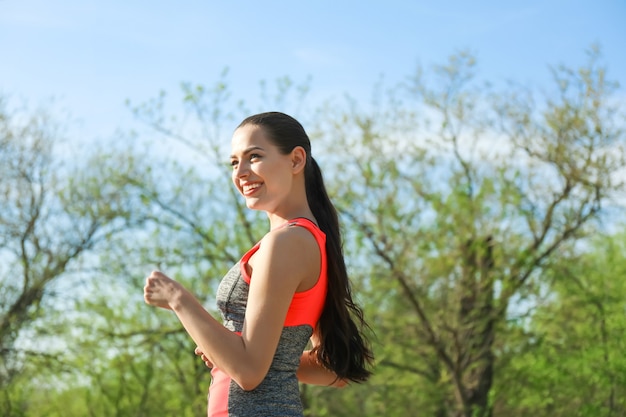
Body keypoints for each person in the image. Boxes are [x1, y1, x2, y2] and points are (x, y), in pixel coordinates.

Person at [143, 111, 374, 416]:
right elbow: (332, 371)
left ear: (295, 160)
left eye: (254, 157)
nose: (241, 172)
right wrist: (225, 349)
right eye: (234, 162)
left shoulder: (286, 243)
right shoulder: (308, 240)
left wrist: (178, 299)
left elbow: (249, 371)